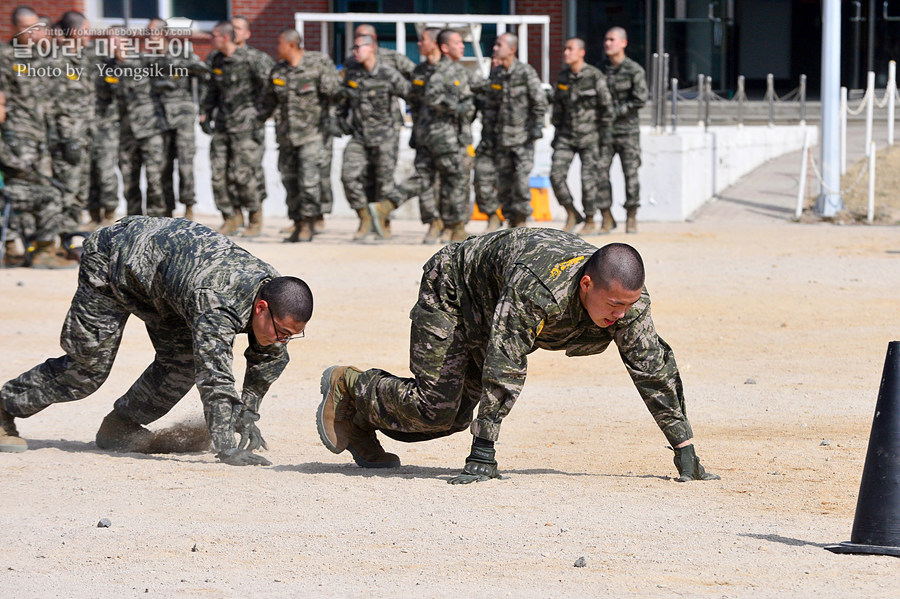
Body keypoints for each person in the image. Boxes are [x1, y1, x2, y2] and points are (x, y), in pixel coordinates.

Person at [316, 229, 718, 484]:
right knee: (434, 408)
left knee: (453, 420)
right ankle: (351, 384)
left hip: (494, 304)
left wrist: (684, 447)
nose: (620, 315)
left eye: (627, 306)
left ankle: (359, 418)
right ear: (586, 283)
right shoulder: (539, 289)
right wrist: (484, 452)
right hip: (454, 288)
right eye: (613, 304)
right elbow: (506, 362)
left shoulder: (629, 303)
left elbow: (653, 370)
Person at [0, 216, 313, 466]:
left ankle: (120, 425)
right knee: (86, 371)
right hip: (113, 261)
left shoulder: (273, 293)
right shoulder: (217, 301)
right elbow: (215, 377)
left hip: (167, 288)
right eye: (282, 332)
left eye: (291, 335)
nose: (282, 340)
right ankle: (4, 409)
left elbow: (266, 360)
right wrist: (228, 449)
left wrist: (247, 414)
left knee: (182, 363)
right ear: (261, 308)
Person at [370, 29, 473, 243]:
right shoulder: (435, 71)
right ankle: (455, 228)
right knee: (455, 181)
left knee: (425, 179)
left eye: (423, 40)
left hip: (436, 136)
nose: (418, 44)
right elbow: (423, 102)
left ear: (436, 44)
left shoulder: (447, 71)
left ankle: (386, 206)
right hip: (443, 137)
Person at [259, 27, 340, 242]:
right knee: (290, 181)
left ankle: (308, 223)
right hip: (287, 137)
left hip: (313, 135)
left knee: (309, 181)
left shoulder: (318, 64)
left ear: (291, 45)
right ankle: (296, 222)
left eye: (280, 44)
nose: (277, 49)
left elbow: (336, 94)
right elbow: (267, 102)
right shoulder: (278, 71)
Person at [201, 20, 273, 237]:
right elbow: (211, 89)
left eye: (214, 35)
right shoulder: (215, 60)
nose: (210, 39)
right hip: (222, 126)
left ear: (224, 37)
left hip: (247, 128)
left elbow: (270, 89)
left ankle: (254, 218)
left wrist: (260, 115)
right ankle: (231, 217)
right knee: (219, 174)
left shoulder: (254, 60)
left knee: (245, 175)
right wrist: (205, 112)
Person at [337, 34, 410, 240]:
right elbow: (344, 100)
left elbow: (411, 94)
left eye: (359, 47)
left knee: (384, 183)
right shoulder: (352, 73)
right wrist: (340, 119)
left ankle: (384, 223)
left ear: (372, 48)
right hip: (360, 136)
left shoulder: (388, 73)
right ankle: (364, 217)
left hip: (386, 136)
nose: (355, 51)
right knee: (348, 176)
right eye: (354, 47)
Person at [146, 18, 210, 221]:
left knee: (185, 164)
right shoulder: (148, 59)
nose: (149, 37)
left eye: (152, 33)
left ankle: (189, 207)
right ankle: (167, 209)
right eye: (148, 34)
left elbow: (203, 73)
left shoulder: (182, 53)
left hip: (182, 117)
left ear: (163, 34)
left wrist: (201, 105)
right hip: (158, 120)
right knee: (162, 165)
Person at [550, 38, 614, 234]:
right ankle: (571, 212)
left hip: (590, 137)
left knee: (589, 181)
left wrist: (604, 138)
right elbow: (558, 111)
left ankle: (590, 219)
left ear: (581, 53)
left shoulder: (594, 76)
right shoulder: (562, 78)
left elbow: (607, 109)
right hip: (566, 137)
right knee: (556, 175)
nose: (566, 53)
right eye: (565, 49)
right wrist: (557, 134)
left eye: (570, 49)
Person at [489, 33, 547, 228]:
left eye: (499, 44)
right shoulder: (496, 74)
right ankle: (510, 223)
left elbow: (539, 102)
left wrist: (534, 130)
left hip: (522, 140)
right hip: (502, 140)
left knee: (521, 183)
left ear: (512, 49)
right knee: (504, 185)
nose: (495, 48)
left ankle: (521, 222)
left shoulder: (525, 72)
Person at [599, 27, 647, 234]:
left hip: (627, 131)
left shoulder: (634, 70)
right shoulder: (600, 70)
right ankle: (606, 216)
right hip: (605, 132)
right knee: (599, 173)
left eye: (612, 39)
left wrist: (615, 111)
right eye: (606, 40)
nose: (608, 43)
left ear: (623, 43)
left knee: (630, 174)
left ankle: (631, 215)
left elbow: (640, 99)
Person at [471, 56, 503, 233]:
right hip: (488, 143)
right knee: (481, 180)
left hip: (512, 144)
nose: (496, 65)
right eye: (494, 63)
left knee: (513, 186)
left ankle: (517, 222)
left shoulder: (519, 82)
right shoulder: (485, 89)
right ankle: (493, 216)